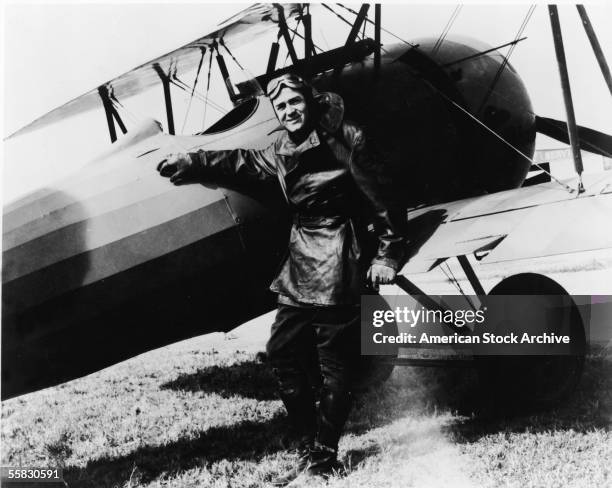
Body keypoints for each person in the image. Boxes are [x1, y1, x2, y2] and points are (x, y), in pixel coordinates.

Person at [157, 73, 406, 485]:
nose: (290, 112)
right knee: (283, 353)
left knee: (335, 364)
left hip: (338, 256)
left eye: (295, 103)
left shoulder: (348, 139)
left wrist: (388, 254)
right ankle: (311, 444)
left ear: (310, 101)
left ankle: (324, 457)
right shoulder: (281, 147)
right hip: (300, 258)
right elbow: (243, 162)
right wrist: (195, 159)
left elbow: (385, 201)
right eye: (282, 107)